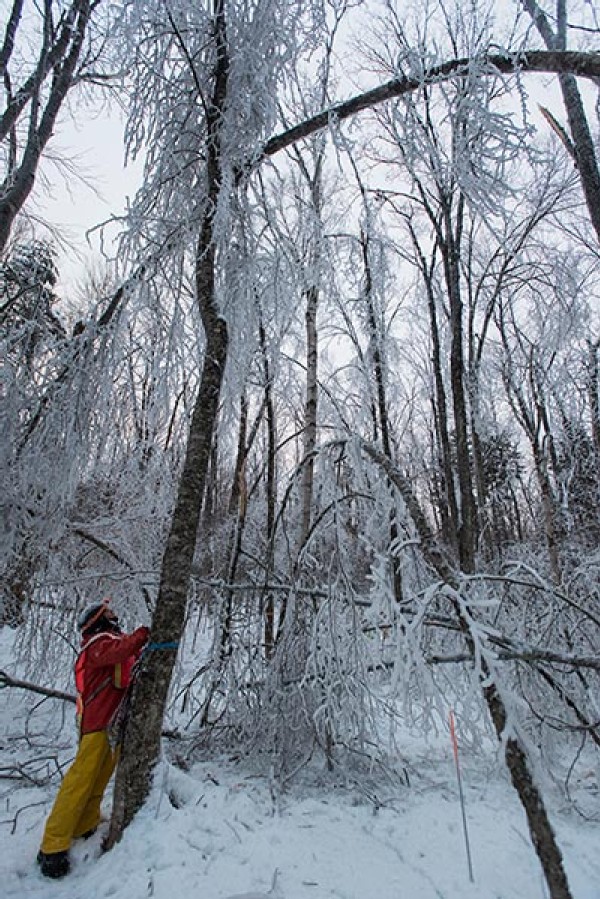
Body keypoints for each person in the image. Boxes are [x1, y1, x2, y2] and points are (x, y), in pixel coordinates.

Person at [37, 601, 150, 878]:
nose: (115, 615)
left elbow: (126, 670)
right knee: (80, 781)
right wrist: (143, 634)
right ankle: (53, 845)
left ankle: (84, 823)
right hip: (97, 725)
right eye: (109, 613)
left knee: (99, 778)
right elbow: (119, 651)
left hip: (110, 725)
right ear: (97, 620)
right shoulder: (97, 643)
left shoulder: (109, 641)